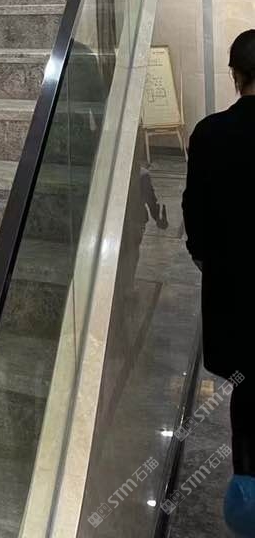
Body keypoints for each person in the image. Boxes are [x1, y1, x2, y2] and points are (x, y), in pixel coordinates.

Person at [183, 29, 255, 536]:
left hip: (237, 295)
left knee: (248, 394)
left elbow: (196, 213)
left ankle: (248, 497)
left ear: (235, 75)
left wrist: (207, 258)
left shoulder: (210, 133)